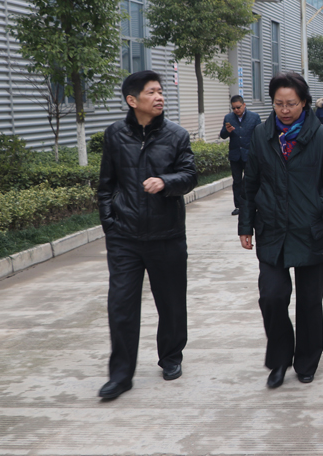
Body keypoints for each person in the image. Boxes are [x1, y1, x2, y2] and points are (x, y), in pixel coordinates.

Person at [238, 72, 323, 389]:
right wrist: (246, 224)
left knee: (309, 302)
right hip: (272, 229)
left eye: (292, 104)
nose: (285, 110)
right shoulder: (262, 135)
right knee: (272, 297)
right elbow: (250, 182)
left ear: (304, 102)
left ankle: (307, 361)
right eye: (279, 104)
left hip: (311, 230)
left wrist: (317, 207)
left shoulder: (321, 135)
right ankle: (280, 359)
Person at [97, 70, 198, 400]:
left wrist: (166, 182)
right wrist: (110, 224)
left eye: (160, 91)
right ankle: (120, 376)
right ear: (132, 100)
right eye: (151, 92)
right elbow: (106, 184)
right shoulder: (115, 135)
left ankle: (170, 356)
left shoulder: (176, 135)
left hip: (166, 235)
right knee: (121, 307)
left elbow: (189, 175)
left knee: (171, 303)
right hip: (124, 238)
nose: (159, 97)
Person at [219, 95, 261, 215]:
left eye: (238, 107)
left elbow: (259, 135)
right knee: (237, 181)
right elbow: (222, 135)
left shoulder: (254, 117)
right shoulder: (228, 118)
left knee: (251, 180)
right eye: (234, 108)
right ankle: (238, 206)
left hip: (250, 155)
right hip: (235, 155)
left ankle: (253, 203)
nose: (236, 110)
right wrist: (227, 131)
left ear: (244, 105)